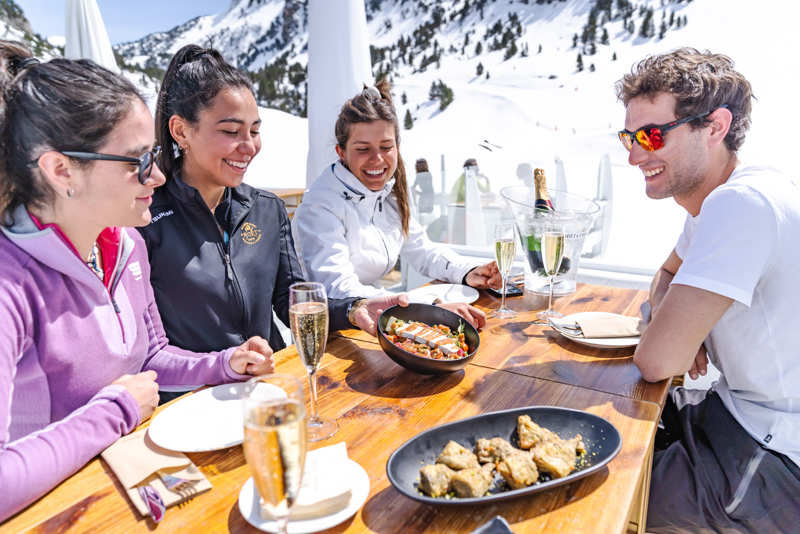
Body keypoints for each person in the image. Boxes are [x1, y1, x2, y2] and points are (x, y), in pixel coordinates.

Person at [0, 42, 275, 520]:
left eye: (153, 156)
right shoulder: (10, 285)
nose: (156, 174)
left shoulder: (125, 244)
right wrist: (116, 411)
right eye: (135, 161)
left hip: (130, 482)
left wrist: (224, 364)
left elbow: (150, 356)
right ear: (62, 170)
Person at [138, 46, 433, 398]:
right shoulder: (145, 219)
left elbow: (293, 300)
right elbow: (144, 351)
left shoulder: (266, 209)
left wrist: (354, 309)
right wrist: (224, 364)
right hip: (190, 404)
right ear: (181, 131)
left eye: (254, 131)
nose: (248, 146)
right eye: (231, 131)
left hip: (272, 390)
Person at [617, 48, 800, 532]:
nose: (636, 155)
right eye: (628, 137)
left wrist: (676, 331)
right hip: (734, 413)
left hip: (777, 455)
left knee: (598, 503)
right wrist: (682, 326)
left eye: (652, 135)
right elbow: (666, 273)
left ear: (715, 126)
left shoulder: (741, 205)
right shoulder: (722, 199)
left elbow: (656, 362)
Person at [292, 81, 500, 310]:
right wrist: (424, 306)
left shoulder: (390, 193)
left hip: (376, 315)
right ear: (341, 152)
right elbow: (336, 286)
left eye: (385, 147)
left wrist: (468, 272)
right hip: (332, 327)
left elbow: (422, 250)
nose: (377, 159)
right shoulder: (321, 205)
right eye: (363, 149)